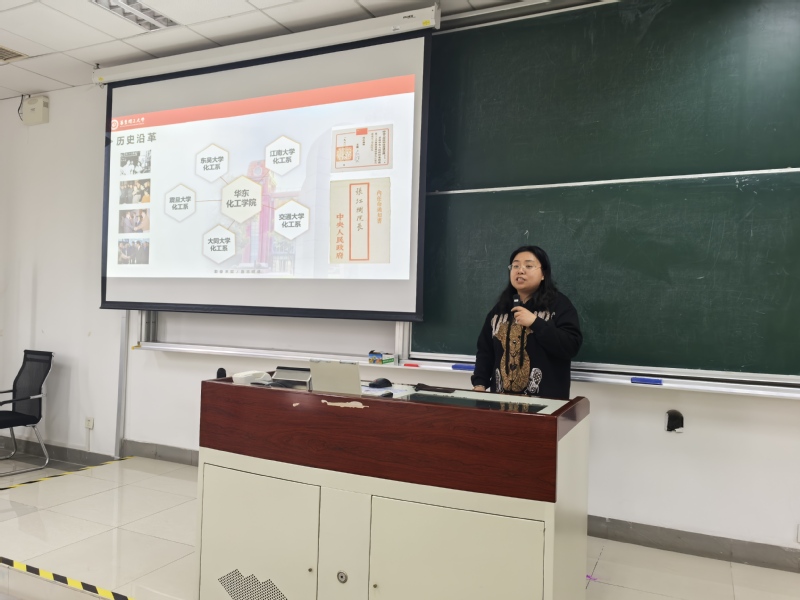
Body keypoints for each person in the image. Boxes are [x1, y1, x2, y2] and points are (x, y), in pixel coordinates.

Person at [472, 245, 582, 400]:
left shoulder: (559, 305)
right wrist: (480, 383)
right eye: (515, 266)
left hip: (546, 405)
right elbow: (485, 350)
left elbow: (571, 346)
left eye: (528, 266)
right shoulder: (500, 309)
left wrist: (535, 322)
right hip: (501, 403)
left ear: (543, 274)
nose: (520, 270)